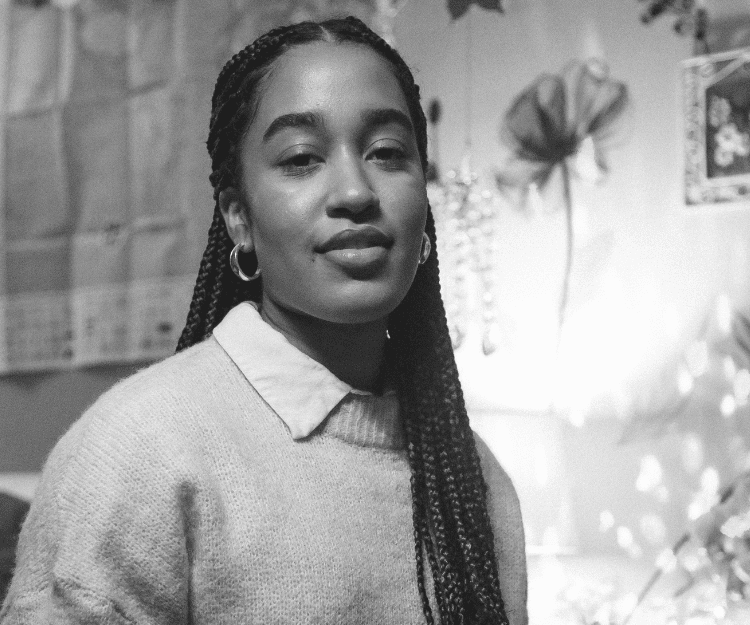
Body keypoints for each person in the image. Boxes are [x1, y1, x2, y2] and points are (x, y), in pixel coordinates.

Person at [0, 16, 527, 625]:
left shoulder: (472, 483)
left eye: (387, 152)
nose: (355, 191)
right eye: (302, 158)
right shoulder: (138, 453)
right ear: (238, 218)